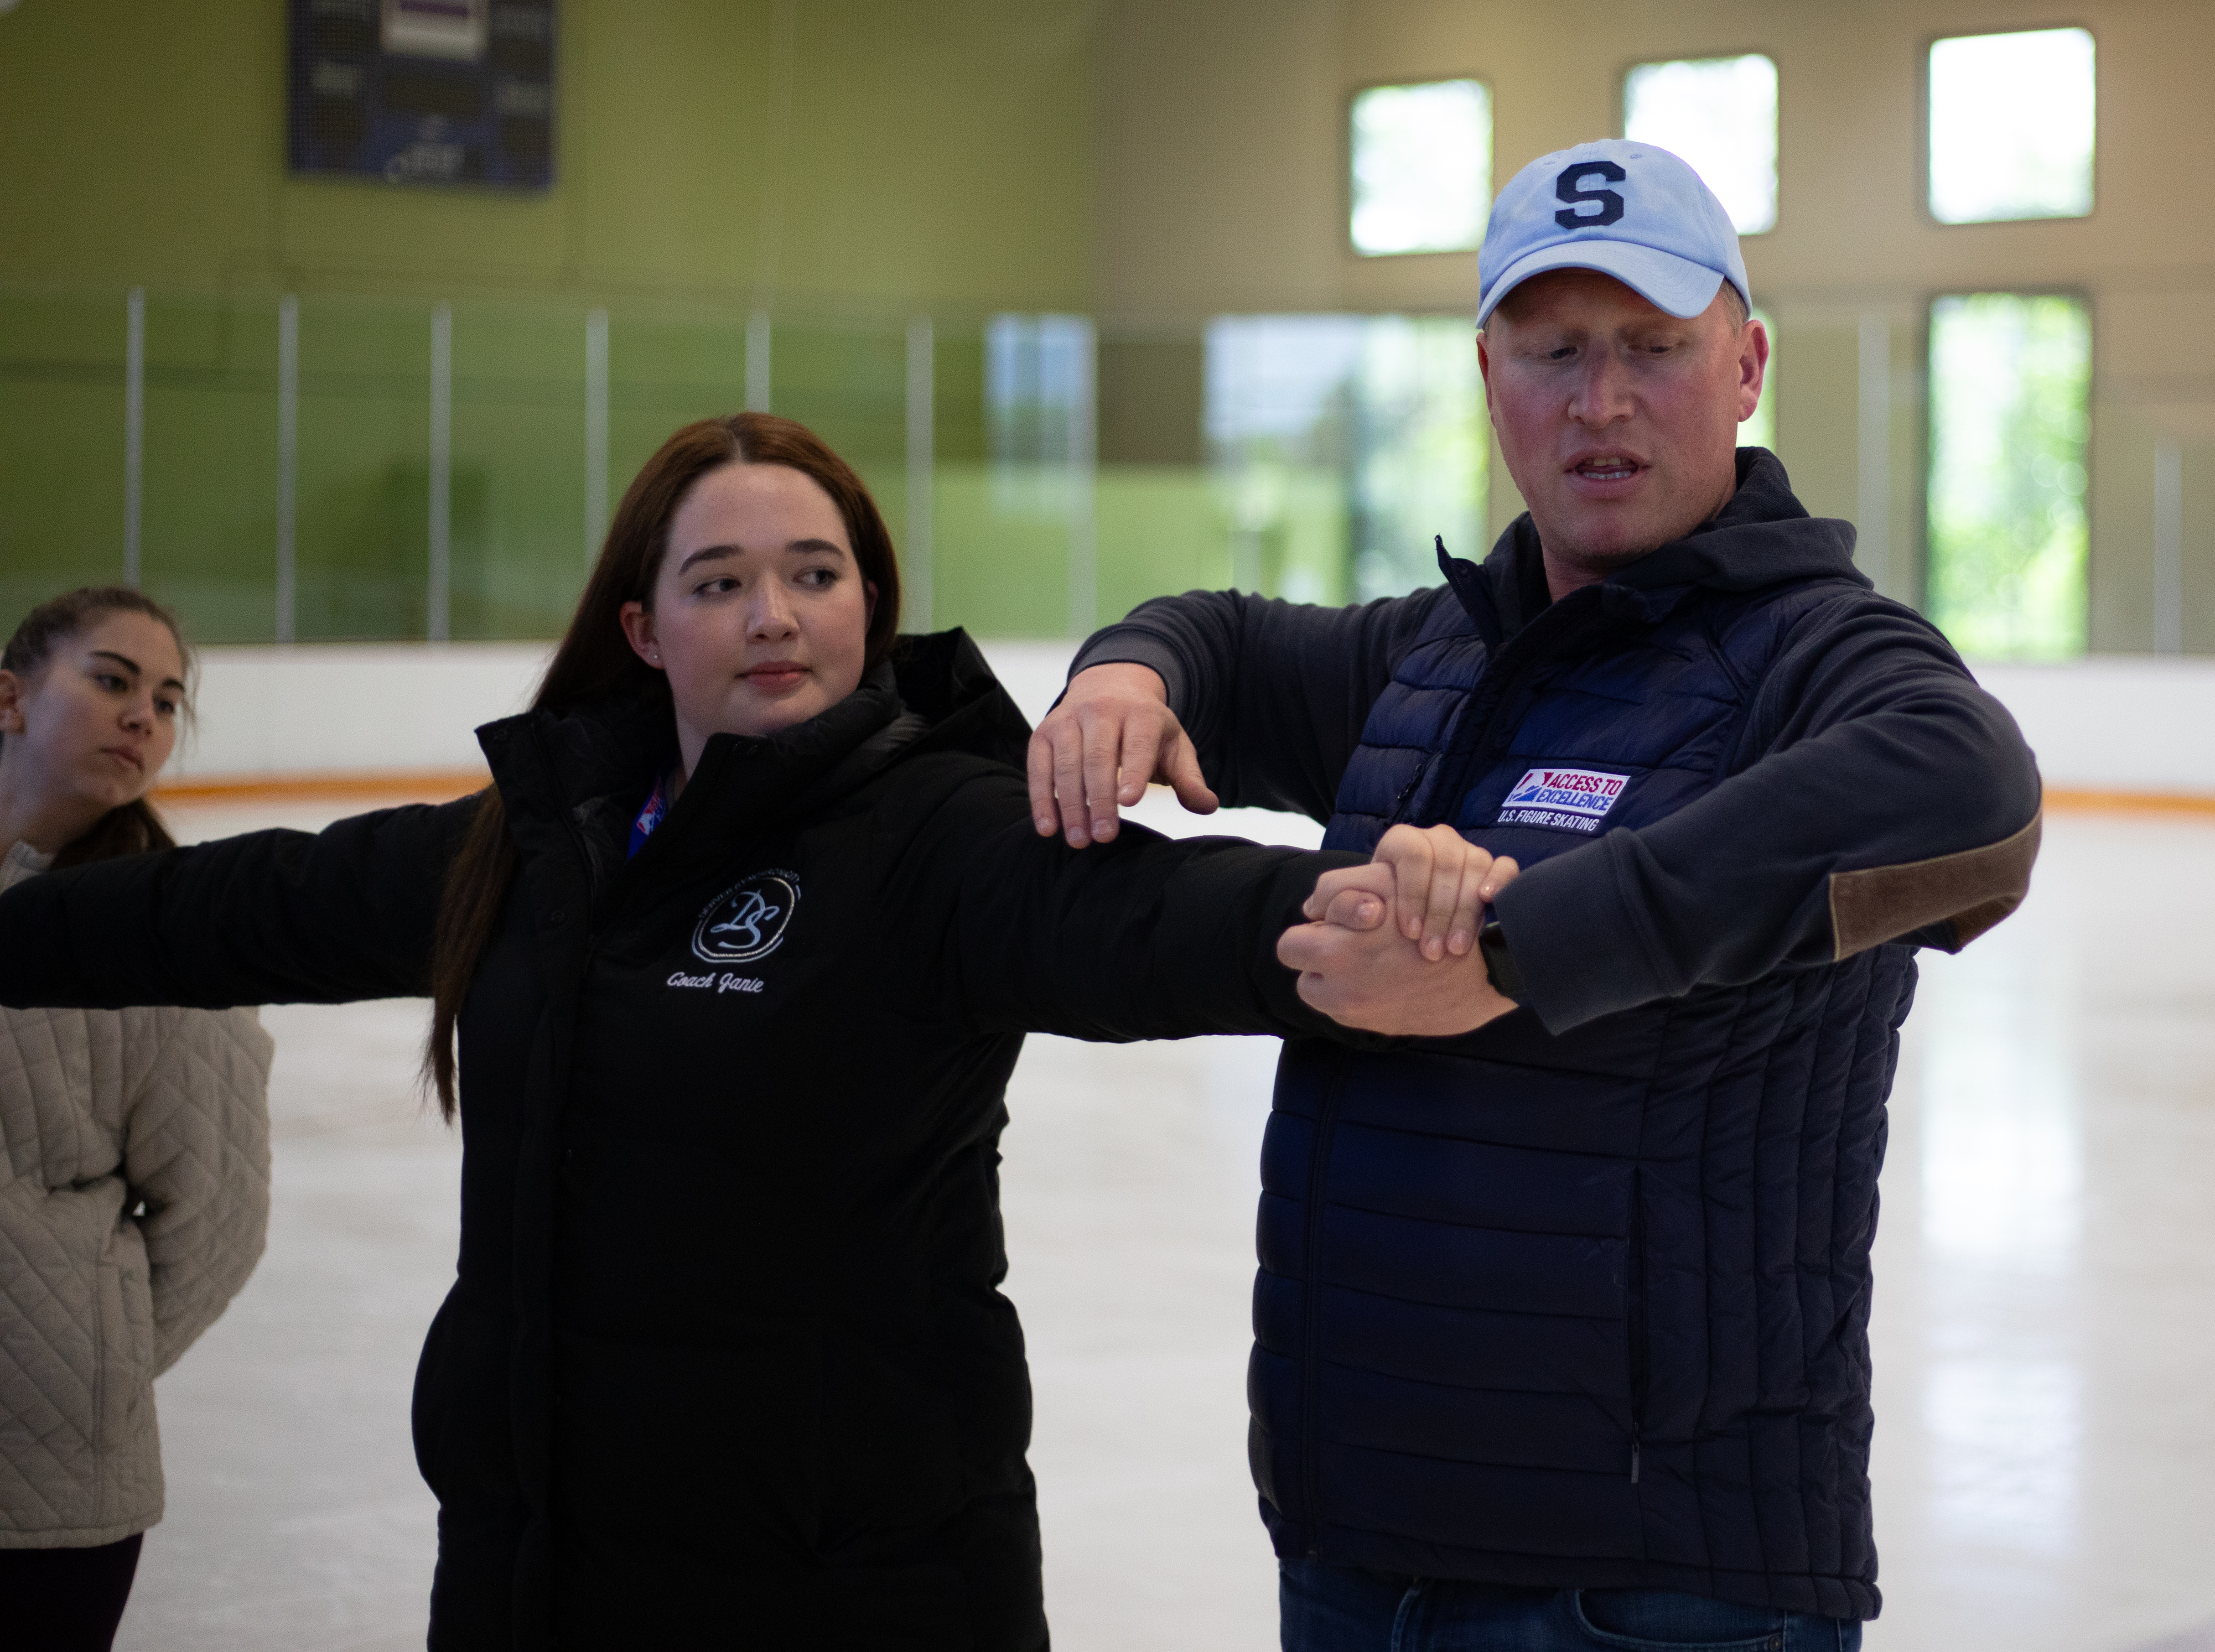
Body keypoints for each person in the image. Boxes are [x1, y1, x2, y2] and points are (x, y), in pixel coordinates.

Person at [0, 415, 1475, 1651]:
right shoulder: (538, 848)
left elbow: (1161, 921)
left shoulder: (937, 842)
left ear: (865, 605)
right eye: (719, 581)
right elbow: (246, 907)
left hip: (851, 1594)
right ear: (643, 627)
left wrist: (1366, 926)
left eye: (813, 574)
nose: (772, 613)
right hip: (533, 1580)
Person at [1031, 139, 2044, 1650]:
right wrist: (1128, 666)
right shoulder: (1430, 656)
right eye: (1553, 352)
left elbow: (1971, 788)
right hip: (1358, 1546)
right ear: (1488, 375)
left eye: (1653, 347)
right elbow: (1225, 640)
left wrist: (1510, 949)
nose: (1602, 401)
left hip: (1651, 1580)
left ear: (1746, 363)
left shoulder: (1811, 659)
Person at [0, 588, 273, 1652]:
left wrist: (74, 1346)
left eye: (166, 700)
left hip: (49, 1479)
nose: (143, 717)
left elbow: (217, 1219)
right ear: (12, 697)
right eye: (112, 680)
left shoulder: (169, 937)